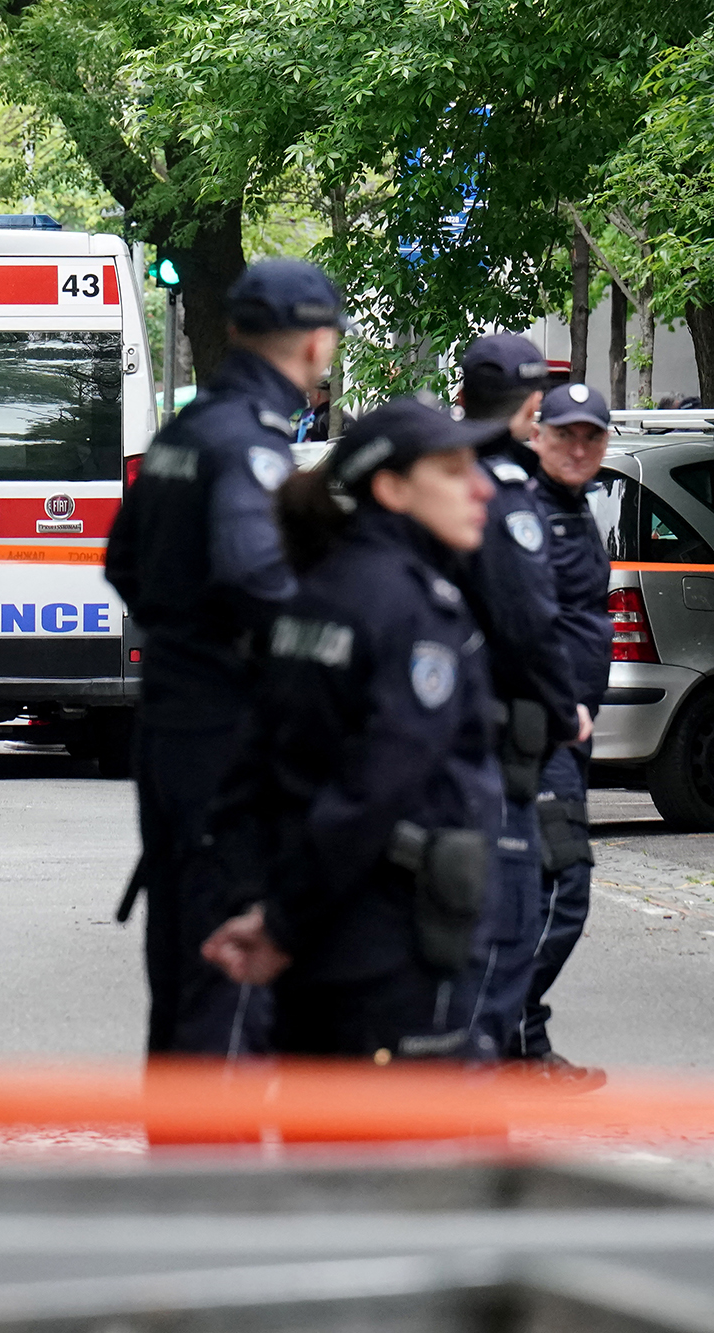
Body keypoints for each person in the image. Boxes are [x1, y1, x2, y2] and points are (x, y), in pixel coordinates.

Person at [201, 395, 504, 1060]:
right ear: (393, 488)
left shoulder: (316, 595)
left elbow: (249, 773)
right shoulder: (416, 610)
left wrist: (258, 903)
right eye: (453, 471)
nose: (481, 486)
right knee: (403, 1157)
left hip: (321, 949)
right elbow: (376, 786)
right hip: (392, 948)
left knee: (322, 1152)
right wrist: (278, 921)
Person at [103, 258, 345, 1056]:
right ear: (315, 344)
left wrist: (185, 636)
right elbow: (259, 580)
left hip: (172, 724)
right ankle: (219, 1173)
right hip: (229, 739)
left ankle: (181, 1164)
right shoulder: (250, 448)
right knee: (231, 976)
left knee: (179, 965)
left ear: (235, 330)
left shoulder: (182, 432)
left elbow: (123, 563)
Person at [451, 335, 583, 1063]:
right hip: (501, 736)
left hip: (434, 727)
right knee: (511, 913)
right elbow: (531, 622)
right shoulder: (505, 490)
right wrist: (567, 713)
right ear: (533, 406)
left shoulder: (440, 472)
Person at [516, 382, 614, 1087]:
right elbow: (523, 625)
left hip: (568, 730)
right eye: (566, 434)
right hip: (538, 730)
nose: (578, 447)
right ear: (538, 436)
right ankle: (503, 1031)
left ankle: (518, 1040)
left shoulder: (578, 510)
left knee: (541, 888)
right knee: (563, 886)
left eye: (592, 436)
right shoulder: (526, 514)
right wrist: (557, 706)